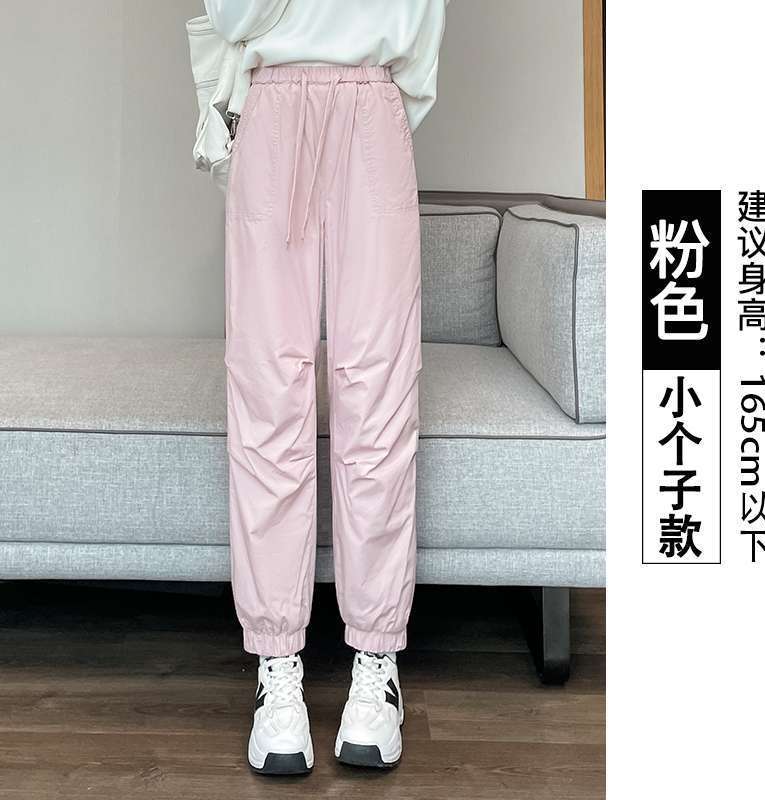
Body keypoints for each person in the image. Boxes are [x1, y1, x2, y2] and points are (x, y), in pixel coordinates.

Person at [195, 0, 448, 775]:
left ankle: (377, 662)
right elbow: (231, 15)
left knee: (380, 392)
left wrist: (378, 101)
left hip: (374, 102)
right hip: (274, 107)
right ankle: (277, 667)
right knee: (268, 395)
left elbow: (421, 28)